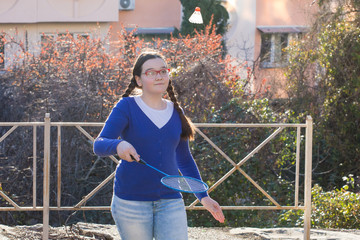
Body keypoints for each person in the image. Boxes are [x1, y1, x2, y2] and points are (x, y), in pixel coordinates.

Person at [93, 50, 225, 240]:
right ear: (139, 80)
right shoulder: (126, 106)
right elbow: (99, 144)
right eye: (151, 72)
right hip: (131, 201)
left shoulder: (176, 111)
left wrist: (203, 196)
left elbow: (184, 160)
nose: (159, 76)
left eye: (163, 71)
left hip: (171, 201)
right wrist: (118, 146)